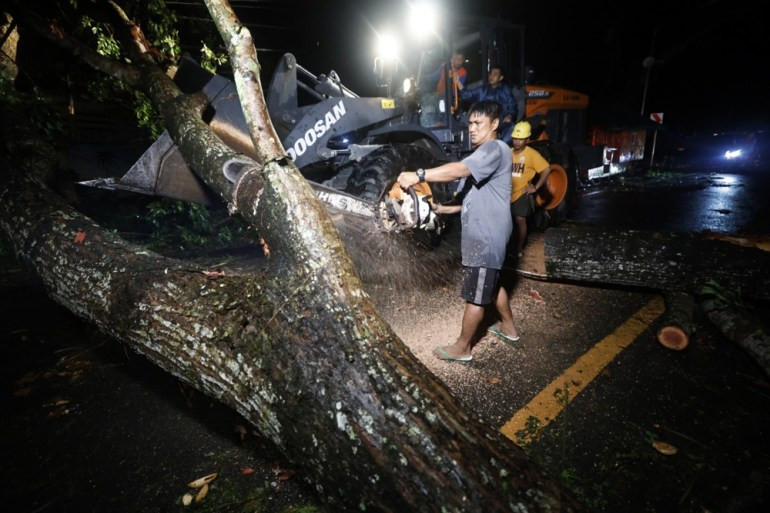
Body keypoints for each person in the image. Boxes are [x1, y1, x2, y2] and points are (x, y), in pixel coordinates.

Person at [397, 100, 520, 362]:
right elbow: (473, 199)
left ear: (495, 124)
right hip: (488, 231)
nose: (472, 129)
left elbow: (460, 171)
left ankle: (462, 348)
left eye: (479, 124)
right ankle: (509, 327)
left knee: (476, 294)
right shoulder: (489, 152)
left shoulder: (494, 149)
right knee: (493, 281)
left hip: (487, 236)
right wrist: (443, 209)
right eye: (470, 124)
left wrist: (419, 175)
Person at [509, 121, 554, 257]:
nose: (517, 142)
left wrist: (536, 186)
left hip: (522, 193)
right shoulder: (508, 152)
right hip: (507, 193)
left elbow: (547, 169)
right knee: (506, 223)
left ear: (527, 139)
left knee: (520, 222)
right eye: (515, 138)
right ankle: (506, 248)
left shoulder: (532, 154)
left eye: (521, 139)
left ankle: (518, 249)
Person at [458, 65, 518, 142]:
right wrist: (458, 81)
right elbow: (467, 95)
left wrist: (510, 115)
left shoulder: (505, 90)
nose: (491, 76)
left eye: (495, 74)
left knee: (511, 128)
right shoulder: (482, 90)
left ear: (501, 78)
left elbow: (512, 105)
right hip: (484, 124)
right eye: (490, 74)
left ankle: (500, 146)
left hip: (501, 124)